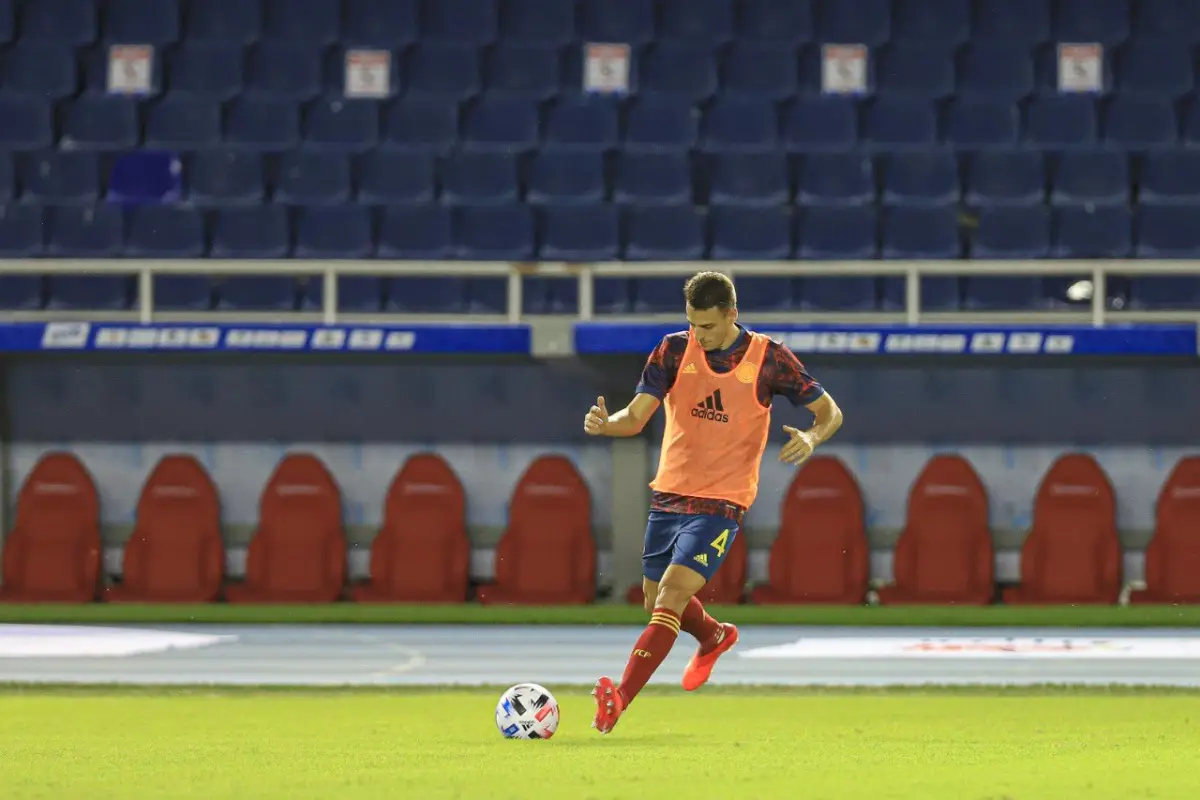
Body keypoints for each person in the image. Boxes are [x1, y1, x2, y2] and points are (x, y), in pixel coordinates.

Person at [582, 270, 844, 734]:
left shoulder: (770, 358)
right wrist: (609, 424)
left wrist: (811, 434)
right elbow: (637, 416)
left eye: (706, 326)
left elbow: (830, 412)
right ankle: (714, 635)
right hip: (669, 492)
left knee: (672, 595)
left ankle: (620, 698)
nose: (698, 336)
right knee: (654, 601)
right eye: (692, 324)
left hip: (723, 499)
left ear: (731, 314)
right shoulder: (673, 349)